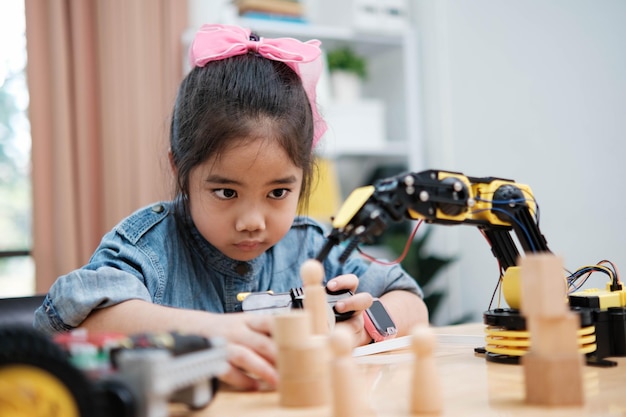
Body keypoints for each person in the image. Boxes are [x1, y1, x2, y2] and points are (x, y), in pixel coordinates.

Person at [34, 23, 427, 391]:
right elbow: (83, 318)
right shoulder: (148, 247)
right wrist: (217, 332)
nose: (252, 222)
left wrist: (365, 325)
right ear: (181, 170)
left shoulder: (313, 245)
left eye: (277, 193)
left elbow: (411, 304)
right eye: (226, 192)